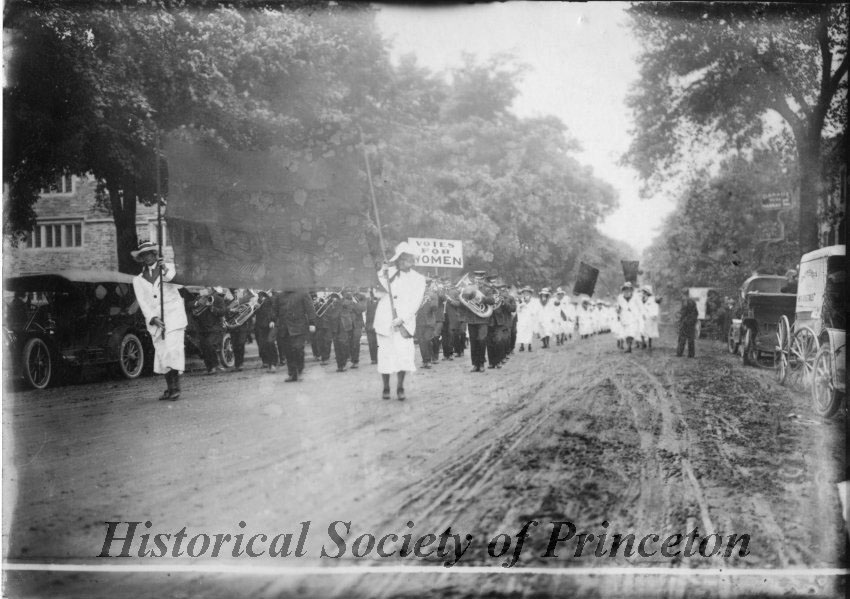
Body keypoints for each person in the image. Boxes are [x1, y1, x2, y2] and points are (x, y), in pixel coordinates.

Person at [131, 240, 188, 400]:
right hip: (157, 321)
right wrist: (152, 318)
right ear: (141, 258)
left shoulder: (168, 268)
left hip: (174, 316)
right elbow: (143, 302)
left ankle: (176, 387)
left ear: (155, 254)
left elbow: (180, 285)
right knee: (163, 353)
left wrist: (165, 269)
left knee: (172, 350)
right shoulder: (139, 279)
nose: (147, 257)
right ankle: (170, 388)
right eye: (144, 255)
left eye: (150, 253)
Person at [374, 241, 426, 400]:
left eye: (408, 259)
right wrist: (382, 272)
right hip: (385, 319)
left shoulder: (418, 278)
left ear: (413, 260)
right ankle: (386, 387)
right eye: (401, 259)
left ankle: (400, 386)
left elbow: (416, 302)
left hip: (404, 321)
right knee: (385, 354)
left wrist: (402, 318)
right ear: (397, 259)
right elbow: (377, 291)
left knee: (403, 355)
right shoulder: (387, 272)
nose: (404, 262)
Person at [272, 288, 317, 382]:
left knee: (298, 349)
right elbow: (275, 310)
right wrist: (272, 320)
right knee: (288, 352)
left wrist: (312, 323)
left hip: (299, 327)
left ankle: (299, 370)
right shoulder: (280, 296)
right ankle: (292, 374)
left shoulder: (303, 293)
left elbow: (310, 309)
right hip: (284, 328)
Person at [460, 271, 496, 372]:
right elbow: (463, 300)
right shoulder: (469, 288)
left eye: (480, 279)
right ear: (474, 279)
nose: (478, 281)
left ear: (483, 279)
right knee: (473, 342)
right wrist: (467, 295)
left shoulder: (487, 289)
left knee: (481, 340)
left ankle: (481, 363)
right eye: (476, 279)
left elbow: (492, 301)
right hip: (471, 319)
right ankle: (475, 364)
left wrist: (483, 299)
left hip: (482, 320)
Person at [415, 279, 439, 369]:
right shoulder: (416, 295)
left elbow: (435, 308)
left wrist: (431, 300)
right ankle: (425, 361)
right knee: (421, 342)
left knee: (427, 340)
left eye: (426, 285)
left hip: (429, 322)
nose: (424, 287)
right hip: (419, 321)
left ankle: (429, 360)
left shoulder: (433, 294)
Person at [253, 290, 279, 372]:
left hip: (271, 323)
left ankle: (274, 363)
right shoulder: (257, 298)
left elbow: (274, 309)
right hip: (261, 324)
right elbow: (254, 312)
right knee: (264, 344)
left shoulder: (271, 297)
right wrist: (254, 307)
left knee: (270, 342)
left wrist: (272, 320)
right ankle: (270, 364)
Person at [617, 282, 642, 353]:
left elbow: (640, 307)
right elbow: (618, 307)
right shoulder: (620, 297)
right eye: (625, 289)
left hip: (633, 317)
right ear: (623, 290)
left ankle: (629, 346)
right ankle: (628, 345)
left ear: (631, 290)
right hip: (624, 317)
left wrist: (634, 310)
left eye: (628, 289)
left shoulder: (636, 297)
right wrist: (618, 310)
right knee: (626, 333)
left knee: (631, 332)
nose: (627, 291)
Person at [676, 289, 699, 358]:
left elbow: (683, 313)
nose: (681, 296)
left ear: (684, 294)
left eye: (682, 294)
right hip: (692, 322)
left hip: (686, 322)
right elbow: (696, 313)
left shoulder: (685, 301)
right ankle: (691, 354)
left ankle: (679, 353)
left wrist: (681, 320)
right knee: (691, 338)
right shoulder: (692, 301)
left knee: (682, 337)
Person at [515, 286, 539, 352]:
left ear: (530, 293)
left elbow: (535, 310)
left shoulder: (533, 301)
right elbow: (517, 310)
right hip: (522, 319)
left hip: (530, 319)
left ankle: (529, 346)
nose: (526, 294)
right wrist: (521, 306)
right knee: (521, 332)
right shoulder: (520, 301)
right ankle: (522, 345)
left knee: (529, 332)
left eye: (527, 293)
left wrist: (531, 312)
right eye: (524, 293)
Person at [639, 285, 660, 350]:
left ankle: (649, 344)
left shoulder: (652, 299)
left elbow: (655, 307)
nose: (644, 293)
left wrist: (654, 314)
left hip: (650, 316)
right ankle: (643, 343)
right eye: (643, 291)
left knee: (650, 331)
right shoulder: (641, 298)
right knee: (641, 329)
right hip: (642, 316)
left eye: (645, 292)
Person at [364, 288, 380, 365]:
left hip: (378, 325)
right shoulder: (366, 302)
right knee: (371, 343)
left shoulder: (380, 301)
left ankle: (379, 358)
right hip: (369, 325)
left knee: (378, 343)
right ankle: (373, 358)